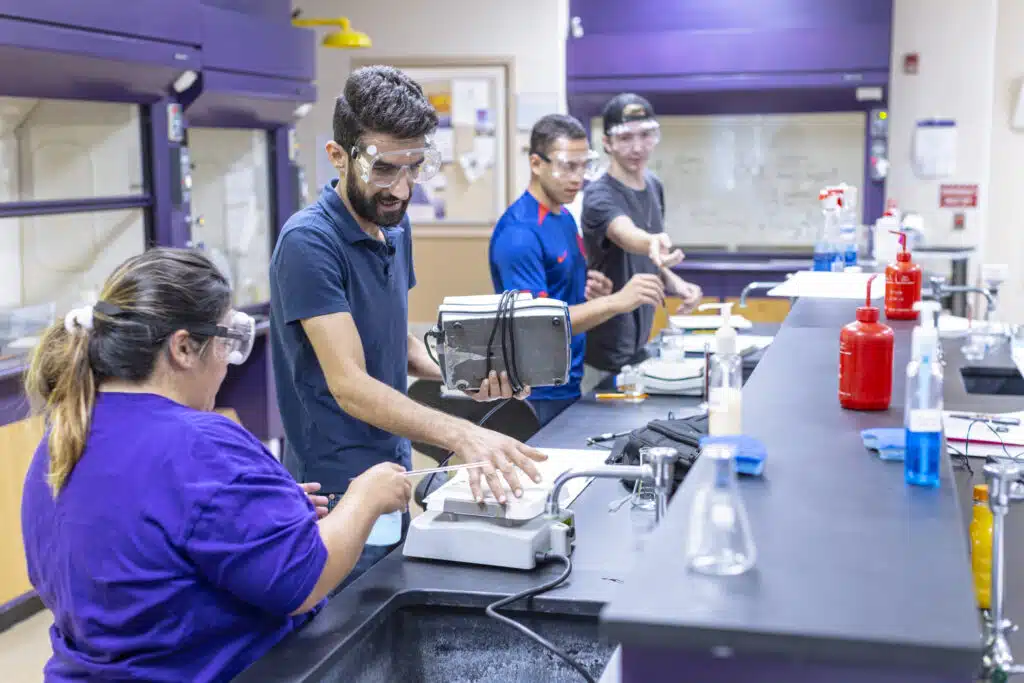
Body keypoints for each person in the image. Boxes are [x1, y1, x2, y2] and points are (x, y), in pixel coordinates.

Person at [20, 248, 413, 682]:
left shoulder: (61, 438)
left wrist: (255, 517)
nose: (227, 361)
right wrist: (365, 497)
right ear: (184, 347)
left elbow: (138, 553)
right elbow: (302, 581)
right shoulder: (199, 444)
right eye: (226, 343)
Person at [269, 65, 545, 588]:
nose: (401, 188)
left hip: (394, 470)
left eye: (415, 167)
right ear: (337, 156)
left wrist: (467, 377)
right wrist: (462, 432)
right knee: (347, 639)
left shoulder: (394, 225)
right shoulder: (309, 243)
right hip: (336, 487)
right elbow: (349, 383)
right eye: (383, 169)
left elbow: (395, 341)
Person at [489, 114, 666, 426]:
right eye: (567, 166)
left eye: (584, 165)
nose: (578, 177)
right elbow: (537, 326)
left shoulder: (563, 217)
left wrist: (590, 290)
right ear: (536, 164)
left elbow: (560, 296)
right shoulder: (519, 234)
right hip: (536, 394)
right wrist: (615, 302)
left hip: (570, 380)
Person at [582, 93, 704, 373]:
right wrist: (650, 241)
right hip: (603, 353)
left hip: (638, 346)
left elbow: (647, 258)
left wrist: (675, 282)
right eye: (625, 138)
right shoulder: (599, 194)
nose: (637, 147)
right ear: (607, 143)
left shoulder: (653, 184)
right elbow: (626, 234)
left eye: (645, 135)